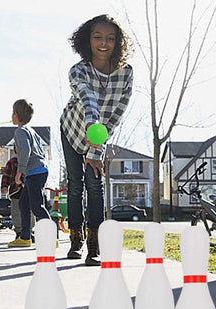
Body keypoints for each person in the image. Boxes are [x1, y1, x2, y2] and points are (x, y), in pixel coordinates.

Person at [60, 14, 133, 266]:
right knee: (75, 185)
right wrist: (92, 125)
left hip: (98, 136)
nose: (104, 43)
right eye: (97, 37)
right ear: (86, 40)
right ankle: (76, 241)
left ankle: (94, 246)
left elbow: (117, 113)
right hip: (72, 129)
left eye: (110, 38)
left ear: (118, 42)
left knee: (95, 184)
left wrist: (97, 147)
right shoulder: (78, 70)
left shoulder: (126, 74)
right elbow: (87, 98)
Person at [7, 99, 50, 247]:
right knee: (24, 203)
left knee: (37, 206)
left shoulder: (20, 131)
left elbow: (25, 151)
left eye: (13, 112)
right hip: (39, 170)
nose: (11, 115)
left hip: (34, 172)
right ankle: (25, 237)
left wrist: (20, 171)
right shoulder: (32, 131)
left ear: (17, 114)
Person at [1, 150, 35, 239]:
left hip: (29, 189)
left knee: (30, 211)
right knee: (16, 212)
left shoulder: (32, 161)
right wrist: (4, 186)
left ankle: (29, 230)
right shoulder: (12, 161)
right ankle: (19, 231)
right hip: (15, 190)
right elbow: (6, 175)